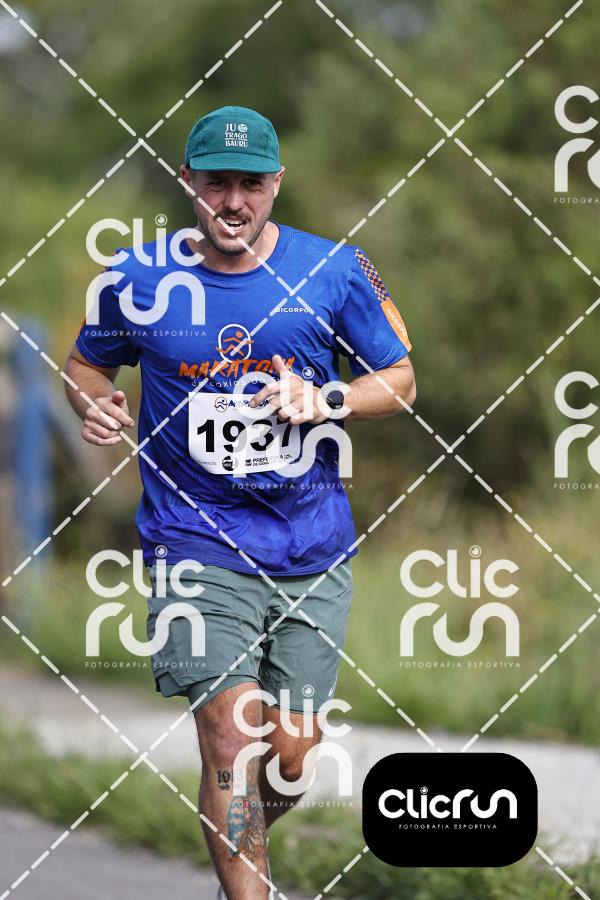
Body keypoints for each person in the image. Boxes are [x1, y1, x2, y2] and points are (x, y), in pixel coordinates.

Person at [64, 105, 416, 899]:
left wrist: (326, 398)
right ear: (187, 181)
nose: (233, 202)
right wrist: (92, 403)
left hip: (309, 546)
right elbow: (85, 367)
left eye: (250, 185)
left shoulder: (334, 271)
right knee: (230, 737)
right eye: (216, 183)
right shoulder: (136, 279)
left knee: (289, 757)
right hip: (194, 542)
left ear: (276, 184)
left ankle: (238, 853)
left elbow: (401, 381)